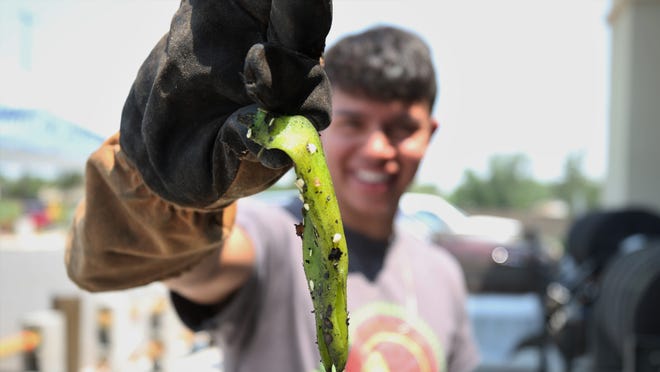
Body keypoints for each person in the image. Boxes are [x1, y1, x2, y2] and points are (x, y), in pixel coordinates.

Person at [65, 1, 479, 371]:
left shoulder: (444, 275)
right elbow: (173, 261)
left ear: (431, 133)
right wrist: (156, 180)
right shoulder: (268, 240)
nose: (376, 148)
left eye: (401, 128)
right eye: (353, 122)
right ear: (326, 120)